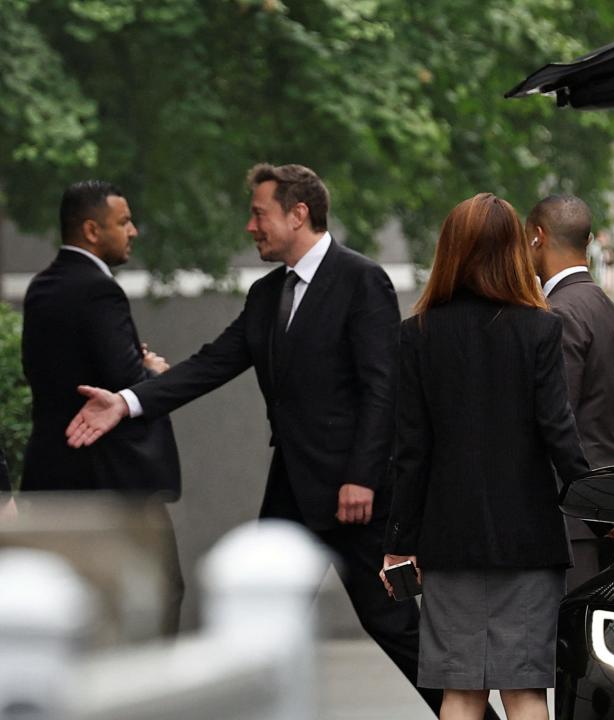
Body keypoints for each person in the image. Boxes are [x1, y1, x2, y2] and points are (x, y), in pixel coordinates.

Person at [63, 163, 475, 719]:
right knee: (257, 625)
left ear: (298, 213)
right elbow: (213, 363)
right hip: (292, 493)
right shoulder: (265, 295)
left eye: (259, 214)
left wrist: (361, 476)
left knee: (394, 625)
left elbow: (384, 389)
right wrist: (129, 401)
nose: (250, 227)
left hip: (359, 498)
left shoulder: (362, 280)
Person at [381, 193, 590, 720]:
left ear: (450, 250)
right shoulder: (540, 328)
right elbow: (558, 434)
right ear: (514, 251)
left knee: (460, 693)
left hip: (449, 540)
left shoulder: (418, 334)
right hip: (529, 537)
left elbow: (411, 450)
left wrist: (398, 545)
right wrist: (600, 504)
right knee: (524, 693)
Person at [20, 180, 182, 632]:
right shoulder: (98, 290)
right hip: (112, 480)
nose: (133, 231)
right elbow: (125, 383)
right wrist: (153, 371)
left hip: (52, 472)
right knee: (160, 593)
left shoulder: (41, 286)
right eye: (124, 221)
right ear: (92, 230)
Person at [526, 195, 614, 589]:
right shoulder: (610, 311)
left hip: (573, 511)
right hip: (608, 500)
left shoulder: (559, 314)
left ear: (537, 237)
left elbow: (558, 418)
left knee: (566, 640)